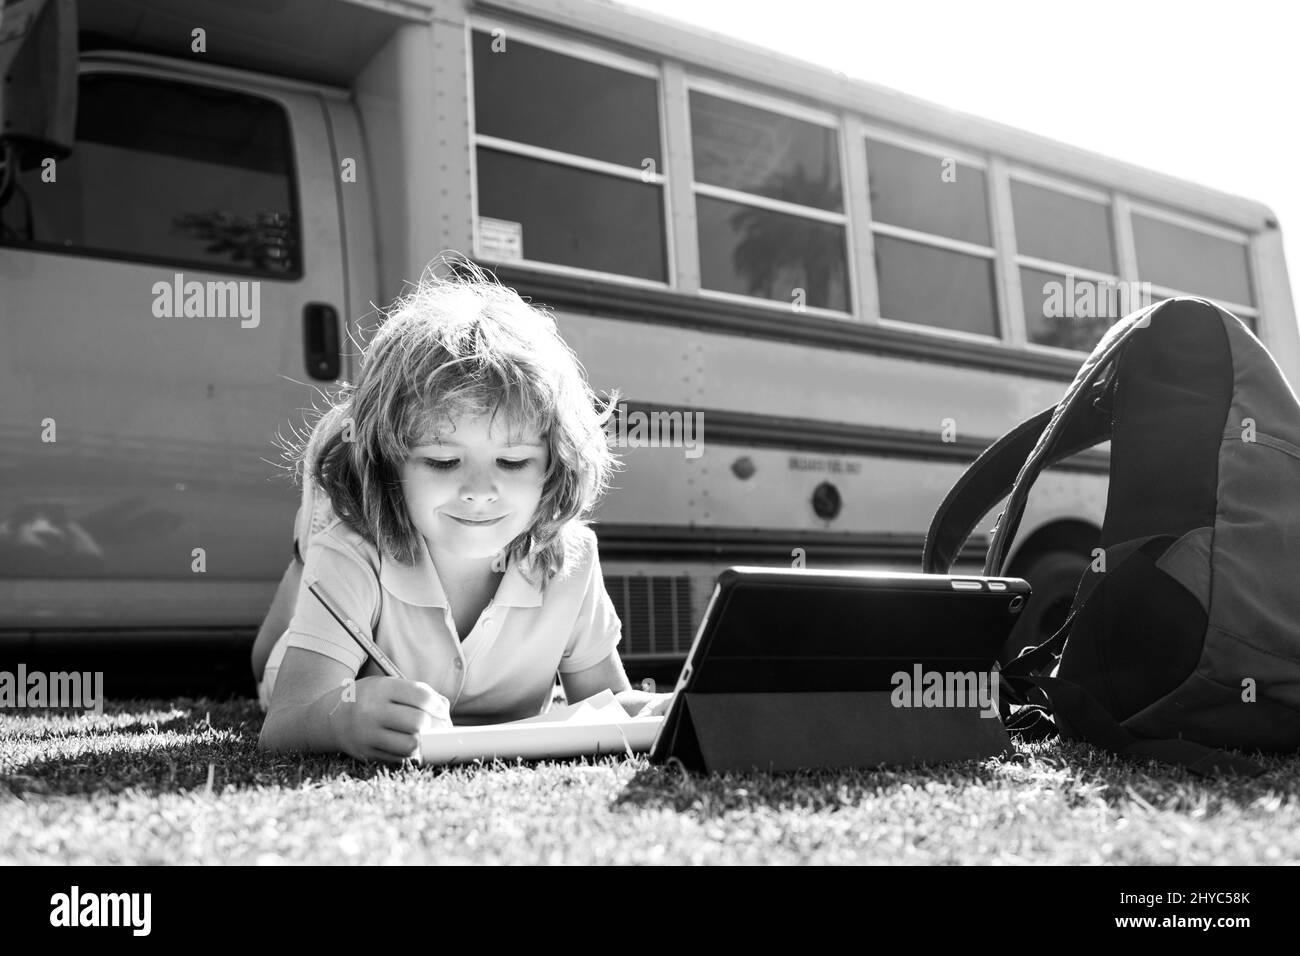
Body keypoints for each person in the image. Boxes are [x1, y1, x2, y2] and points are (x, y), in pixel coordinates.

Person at [254, 256, 673, 762]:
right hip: (307, 641)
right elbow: (286, 720)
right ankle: (307, 553)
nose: (479, 490)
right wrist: (342, 716)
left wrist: (664, 706)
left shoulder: (572, 558)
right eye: (444, 460)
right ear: (390, 461)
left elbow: (608, 702)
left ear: (555, 466)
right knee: (272, 654)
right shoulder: (353, 555)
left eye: (513, 461)